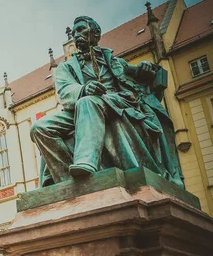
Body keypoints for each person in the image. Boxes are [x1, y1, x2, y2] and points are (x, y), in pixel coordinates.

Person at [30, 16, 183, 187]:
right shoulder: (66, 67)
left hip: (116, 102)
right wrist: (84, 89)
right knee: (39, 128)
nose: (76, 35)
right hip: (77, 109)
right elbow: (65, 91)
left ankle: (87, 161)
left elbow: (143, 79)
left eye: (81, 29)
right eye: (74, 33)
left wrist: (147, 67)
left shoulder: (114, 61)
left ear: (96, 33)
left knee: (87, 102)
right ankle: (69, 181)